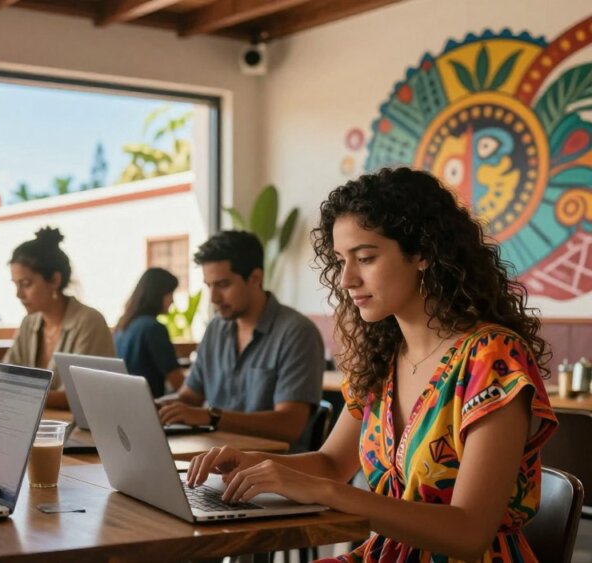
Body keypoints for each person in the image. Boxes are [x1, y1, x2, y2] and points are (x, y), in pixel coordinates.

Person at [186, 168, 558, 561]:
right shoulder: (382, 358)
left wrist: (329, 493)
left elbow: (468, 533)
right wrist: (256, 464)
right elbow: (331, 463)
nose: (346, 279)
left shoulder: (492, 357)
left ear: (423, 254)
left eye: (365, 257)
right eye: (340, 261)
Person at [157, 230, 325, 450]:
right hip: (213, 459)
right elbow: (190, 397)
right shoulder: (216, 328)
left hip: (273, 469)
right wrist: (150, 406)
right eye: (209, 285)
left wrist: (211, 417)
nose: (214, 298)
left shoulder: (297, 332)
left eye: (223, 284)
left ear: (255, 278)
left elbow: (290, 425)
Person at [3, 227, 114, 409]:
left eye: (26, 284)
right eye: (15, 284)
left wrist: (20, 393)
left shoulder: (89, 322)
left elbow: (80, 396)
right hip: (37, 427)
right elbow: (7, 377)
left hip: (78, 431)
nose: (18, 294)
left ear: (55, 280)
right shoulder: (29, 323)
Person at [113, 267, 184, 397]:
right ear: (158, 294)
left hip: (126, 401)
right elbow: (178, 383)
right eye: (170, 294)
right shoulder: (154, 328)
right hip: (151, 407)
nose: (173, 301)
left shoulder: (122, 325)